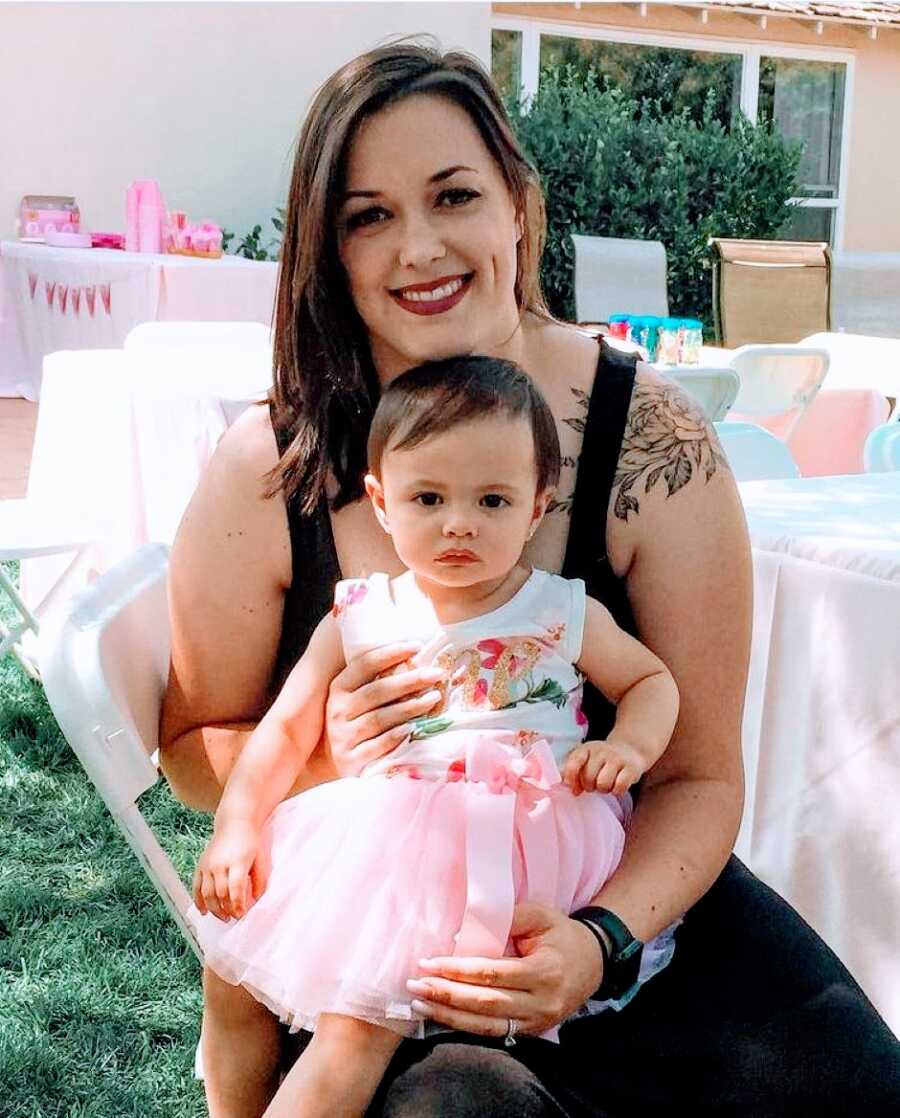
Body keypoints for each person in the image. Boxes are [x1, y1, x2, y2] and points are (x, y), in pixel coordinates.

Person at [159, 36, 900, 1118]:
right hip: (396, 930)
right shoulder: (275, 465)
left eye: (452, 194)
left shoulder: (650, 439)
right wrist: (323, 758)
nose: (418, 246)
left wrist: (601, 941)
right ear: (329, 245)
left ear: (518, 203)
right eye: (368, 215)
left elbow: (697, 777)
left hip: (628, 900)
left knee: (856, 1086)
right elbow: (190, 748)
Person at [188, 356, 681, 1118]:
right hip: (388, 844)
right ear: (383, 503)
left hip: (518, 844)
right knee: (232, 978)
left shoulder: (558, 610)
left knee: (357, 1029)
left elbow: (650, 683)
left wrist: (630, 748)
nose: (459, 523)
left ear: (537, 505)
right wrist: (238, 827)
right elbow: (285, 729)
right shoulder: (360, 614)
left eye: (492, 499)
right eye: (428, 497)